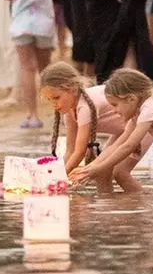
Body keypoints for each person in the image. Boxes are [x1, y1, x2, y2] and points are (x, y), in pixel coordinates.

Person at [40, 61, 141, 193]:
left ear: (73, 89)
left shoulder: (84, 107)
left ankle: (143, 204)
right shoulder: (69, 111)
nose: (53, 103)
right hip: (122, 132)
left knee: (121, 173)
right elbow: (70, 150)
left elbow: (80, 152)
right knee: (102, 172)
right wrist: (55, 177)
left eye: (56, 97)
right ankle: (109, 207)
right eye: (49, 99)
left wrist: (58, 179)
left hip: (141, 126)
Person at [5, 0, 58, 128]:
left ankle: (32, 115)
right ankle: (57, 111)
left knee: (27, 68)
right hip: (44, 22)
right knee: (46, 69)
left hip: (21, 23)